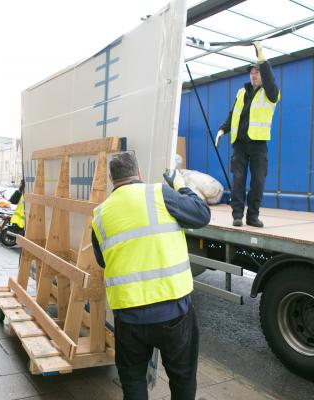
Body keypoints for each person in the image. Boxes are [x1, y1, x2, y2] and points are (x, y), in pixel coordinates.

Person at [91, 152, 211, 400]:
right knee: (183, 377)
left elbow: (103, 260)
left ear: (113, 179)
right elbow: (202, 215)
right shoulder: (159, 194)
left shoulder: (100, 215)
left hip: (129, 316)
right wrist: (180, 185)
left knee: (133, 379)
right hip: (174, 311)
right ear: (139, 173)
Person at [215, 41, 280, 228]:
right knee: (238, 180)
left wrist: (262, 57)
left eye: (257, 71)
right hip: (240, 144)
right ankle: (237, 215)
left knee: (258, 182)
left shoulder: (271, 93)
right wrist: (222, 129)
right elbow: (233, 115)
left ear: (263, 75)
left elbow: (270, 80)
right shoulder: (241, 92)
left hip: (259, 144)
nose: (253, 74)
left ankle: (253, 216)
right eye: (252, 72)